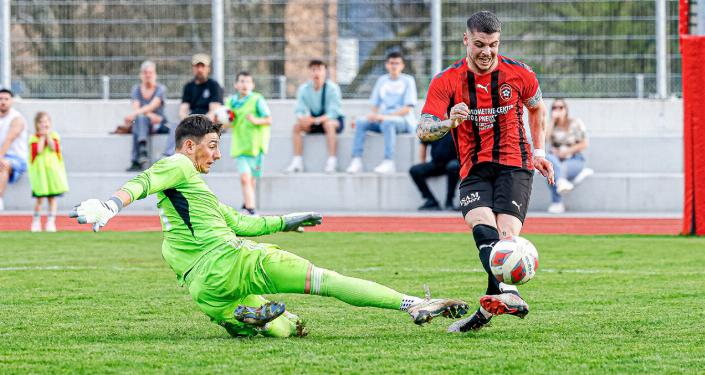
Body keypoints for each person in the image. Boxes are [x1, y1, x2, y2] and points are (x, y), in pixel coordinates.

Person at [70, 115, 468, 338]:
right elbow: (143, 181)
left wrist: (286, 221)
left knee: (287, 328)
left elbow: (242, 220)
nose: (217, 154)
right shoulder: (178, 164)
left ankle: (249, 320)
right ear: (190, 145)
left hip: (204, 288)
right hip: (233, 260)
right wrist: (109, 204)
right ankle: (413, 303)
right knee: (325, 280)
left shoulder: (187, 201)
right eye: (211, 145)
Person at [417, 11, 555, 333]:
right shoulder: (446, 80)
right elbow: (424, 130)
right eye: (479, 44)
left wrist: (539, 152)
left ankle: (489, 309)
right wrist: (448, 123)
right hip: (473, 167)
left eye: (493, 45)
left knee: (505, 236)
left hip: (514, 164)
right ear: (466, 40)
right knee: (481, 225)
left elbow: (537, 107)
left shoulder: (520, 74)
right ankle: (507, 294)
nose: (486, 52)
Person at [346, 52, 418, 174]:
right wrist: (373, 115)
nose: (394, 66)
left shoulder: (408, 81)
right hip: (383, 119)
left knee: (387, 123)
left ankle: (389, 161)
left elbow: (407, 108)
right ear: (386, 65)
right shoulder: (382, 80)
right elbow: (375, 104)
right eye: (391, 63)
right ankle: (356, 159)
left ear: (402, 66)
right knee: (361, 122)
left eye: (397, 63)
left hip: (402, 121)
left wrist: (384, 116)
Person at [224, 72, 272, 216]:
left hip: (256, 147)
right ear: (236, 84)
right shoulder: (231, 102)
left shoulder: (257, 99)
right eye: (242, 81)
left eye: (248, 82)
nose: (245, 84)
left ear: (252, 85)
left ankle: (246, 204)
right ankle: (251, 211)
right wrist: (221, 120)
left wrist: (256, 120)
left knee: (250, 180)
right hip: (240, 147)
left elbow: (269, 119)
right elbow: (227, 121)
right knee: (245, 178)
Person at [285, 60, 344, 173]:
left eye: (319, 69)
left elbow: (333, 112)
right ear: (309, 72)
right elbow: (299, 110)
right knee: (297, 127)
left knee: (329, 124)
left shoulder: (333, 88)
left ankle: (332, 161)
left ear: (325, 71)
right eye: (313, 70)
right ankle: (297, 162)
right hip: (313, 121)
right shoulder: (304, 89)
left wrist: (316, 120)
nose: (316, 73)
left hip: (331, 121)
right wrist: (303, 119)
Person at [163, 53, 224, 156]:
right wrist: (189, 122)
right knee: (175, 125)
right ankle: (168, 157)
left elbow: (214, 111)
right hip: (192, 121)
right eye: (197, 66)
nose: (200, 69)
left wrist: (198, 123)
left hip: (208, 122)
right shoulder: (188, 87)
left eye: (202, 66)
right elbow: (183, 110)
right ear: (193, 68)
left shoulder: (214, 86)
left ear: (208, 68)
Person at [545, 99, 593, 214]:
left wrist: (566, 152)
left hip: (574, 159)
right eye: (554, 108)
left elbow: (585, 143)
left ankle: (557, 201)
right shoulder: (551, 125)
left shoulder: (575, 123)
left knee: (554, 170)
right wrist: (552, 121)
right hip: (556, 159)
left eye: (561, 107)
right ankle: (561, 181)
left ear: (566, 110)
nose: (557, 110)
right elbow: (545, 140)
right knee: (548, 158)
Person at [123, 61, 168, 172]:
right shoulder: (136, 89)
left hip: (158, 123)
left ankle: (136, 160)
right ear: (141, 75)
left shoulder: (161, 89)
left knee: (138, 121)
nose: (148, 75)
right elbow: (136, 108)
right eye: (145, 72)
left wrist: (135, 115)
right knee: (139, 121)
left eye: (150, 72)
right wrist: (144, 114)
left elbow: (152, 106)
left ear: (155, 74)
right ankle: (142, 150)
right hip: (144, 121)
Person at [28, 112, 69, 232]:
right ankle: (36, 221)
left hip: (52, 174)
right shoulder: (34, 138)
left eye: (46, 122)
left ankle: (51, 221)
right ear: (36, 124)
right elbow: (39, 150)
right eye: (41, 122)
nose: (43, 124)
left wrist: (47, 136)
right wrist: (42, 137)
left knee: (52, 198)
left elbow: (53, 147)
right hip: (41, 174)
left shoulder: (54, 136)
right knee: (39, 199)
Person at [409, 134, 460, 211]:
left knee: (453, 166)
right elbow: (423, 143)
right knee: (415, 170)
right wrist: (422, 162)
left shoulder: (456, 124)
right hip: (436, 163)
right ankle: (431, 201)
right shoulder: (433, 126)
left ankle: (449, 201)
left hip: (454, 163)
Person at [0, 88, 28, 211]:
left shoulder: (17, 119)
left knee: (3, 165)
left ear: (11, 101)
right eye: (0, 99)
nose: (3, 102)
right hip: (1, 156)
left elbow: (9, 140)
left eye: (6, 99)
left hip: (16, 159)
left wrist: (0, 157)